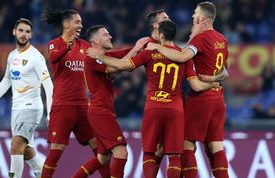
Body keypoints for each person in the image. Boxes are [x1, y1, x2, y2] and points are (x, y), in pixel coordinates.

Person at [86, 20, 220, 178]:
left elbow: (123, 66)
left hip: (153, 108)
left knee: (150, 153)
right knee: (175, 156)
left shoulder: (149, 53)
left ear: (161, 35)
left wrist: (100, 56)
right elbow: (196, 85)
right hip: (175, 110)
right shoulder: (183, 57)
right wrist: (215, 82)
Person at [146, 2, 230, 178]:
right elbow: (225, 69)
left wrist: (158, 47)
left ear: (201, 17)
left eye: (195, 13)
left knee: (186, 144)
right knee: (215, 145)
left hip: (201, 100)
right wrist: (215, 79)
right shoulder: (222, 38)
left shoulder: (200, 39)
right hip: (218, 100)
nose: (192, 16)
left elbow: (182, 56)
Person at [0, 18, 53, 178]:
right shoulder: (12, 56)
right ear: (14, 31)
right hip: (16, 108)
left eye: (27, 32)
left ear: (31, 35)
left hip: (31, 107)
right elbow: (6, 81)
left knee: (16, 145)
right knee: (25, 151)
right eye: (21, 30)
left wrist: (50, 112)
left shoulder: (36, 57)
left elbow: (49, 86)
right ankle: (44, 174)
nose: (24, 34)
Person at [71, 25, 148, 178]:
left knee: (103, 158)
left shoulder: (105, 56)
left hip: (103, 111)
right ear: (95, 41)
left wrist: (142, 46)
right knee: (121, 153)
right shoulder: (92, 59)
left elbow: (126, 54)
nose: (110, 36)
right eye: (106, 34)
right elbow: (119, 67)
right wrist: (137, 48)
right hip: (100, 112)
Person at [41, 9, 109, 178]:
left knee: (100, 150)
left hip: (83, 107)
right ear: (66, 24)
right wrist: (66, 47)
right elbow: (53, 58)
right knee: (56, 152)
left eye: (80, 22)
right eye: (77, 22)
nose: (81, 25)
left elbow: (100, 61)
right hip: (63, 106)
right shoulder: (55, 43)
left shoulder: (84, 46)